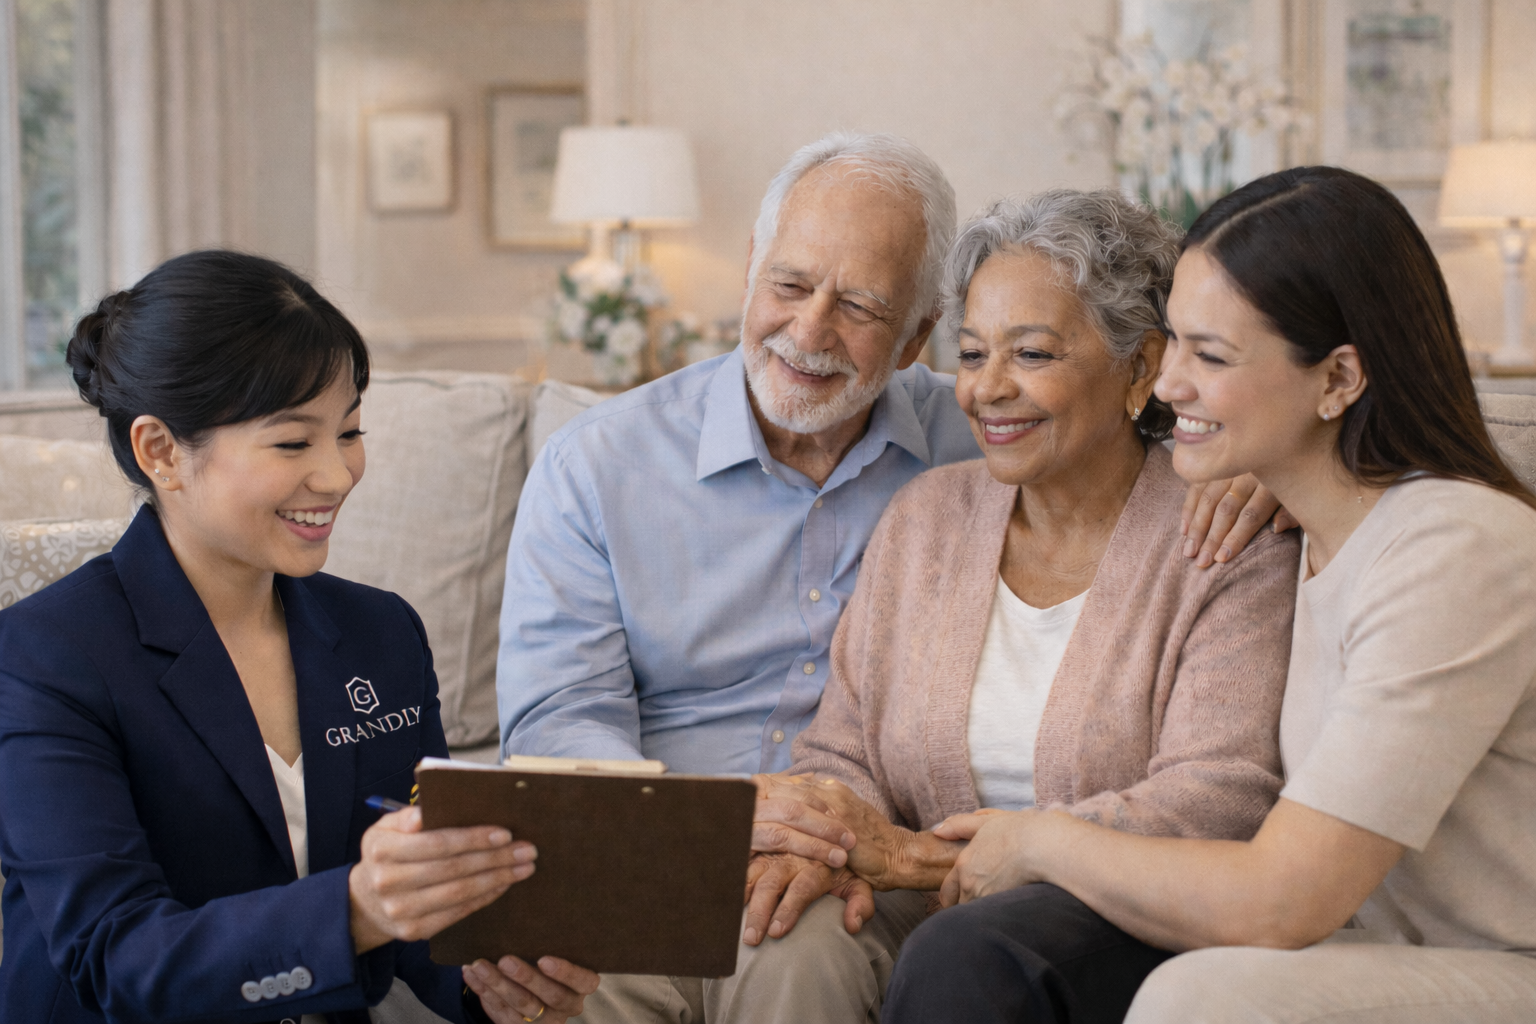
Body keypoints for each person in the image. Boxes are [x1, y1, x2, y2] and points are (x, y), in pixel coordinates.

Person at [889, 166, 1536, 1024]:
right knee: (985, 958)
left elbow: (1280, 901)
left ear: (1340, 379)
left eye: (1210, 356)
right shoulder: (1295, 526)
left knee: (1200, 998)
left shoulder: (1453, 551)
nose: (1164, 385)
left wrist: (1041, 839)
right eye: (1175, 344)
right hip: (1349, 949)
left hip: (1491, 964)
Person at [737, 189, 1301, 1023]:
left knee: (958, 955)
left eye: (1031, 355)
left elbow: (1218, 796)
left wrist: (941, 858)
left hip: (1121, 919)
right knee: (778, 929)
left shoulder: (1221, 534)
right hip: (925, 906)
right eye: (971, 355)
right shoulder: (927, 516)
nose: (987, 391)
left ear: (1142, 368)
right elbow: (845, 746)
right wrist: (820, 835)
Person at [0, 251, 598, 1024]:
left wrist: (491, 977)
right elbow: (115, 959)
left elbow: (417, 897)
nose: (338, 475)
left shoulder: (380, 632)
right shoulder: (44, 656)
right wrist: (354, 907)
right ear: (160, 452)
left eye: (349, 432)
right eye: (292, 443)